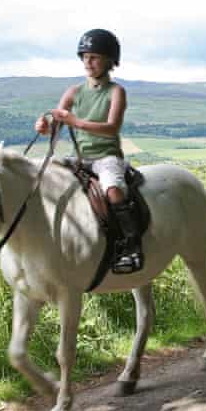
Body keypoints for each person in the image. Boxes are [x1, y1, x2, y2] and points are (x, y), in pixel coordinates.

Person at [34, 28, 143, 273]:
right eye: (85, 57)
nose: (88, 62)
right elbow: (56, 124)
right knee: (44, 177)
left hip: (107, 157)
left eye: (94, 57)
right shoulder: (73, 92)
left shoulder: (116, 92)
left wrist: (75, 121)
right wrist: (44, 125)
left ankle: (131, 246)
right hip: (79, 158)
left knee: (113, 190)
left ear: (109, 61)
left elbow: (111, 128)